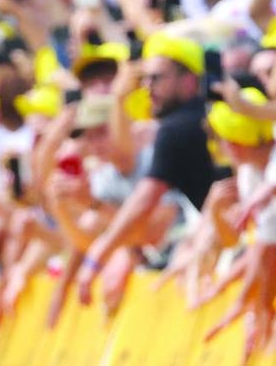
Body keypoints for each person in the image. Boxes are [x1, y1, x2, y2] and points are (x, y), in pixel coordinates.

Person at [77, 33, 220, 305]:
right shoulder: (194, 116)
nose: (147, 87)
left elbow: (146, 200)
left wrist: (98, 257)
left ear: (189, 79)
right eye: (144, 79)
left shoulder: (178, 126)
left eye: (157, 78)